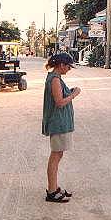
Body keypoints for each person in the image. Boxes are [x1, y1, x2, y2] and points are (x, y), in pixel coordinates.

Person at [42, 53, 81, 203]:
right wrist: (74, 95)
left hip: (60, 122)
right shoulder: (55, 80)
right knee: (55, 156)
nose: (69, 69)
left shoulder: (55, 78)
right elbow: (59, 102)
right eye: (68, 66)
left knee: (57, 155)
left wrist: (68, 92)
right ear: (61, 65)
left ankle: (54, 187)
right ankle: (51, 191)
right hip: (58, 123)